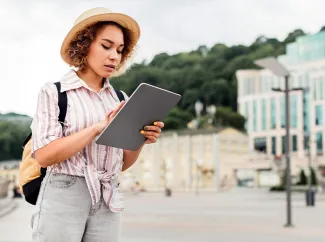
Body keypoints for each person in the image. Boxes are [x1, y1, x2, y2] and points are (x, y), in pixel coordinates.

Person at [30, 7, 164, 242]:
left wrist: (140, 139)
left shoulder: (120, 99)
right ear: (84, 45)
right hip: (64, 194)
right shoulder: (54, 93)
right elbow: (44, 155)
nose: (114, 56)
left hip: (107, 197)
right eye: (106, 46)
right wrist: (96, 128)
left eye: (120, 50)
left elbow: (120, 164)